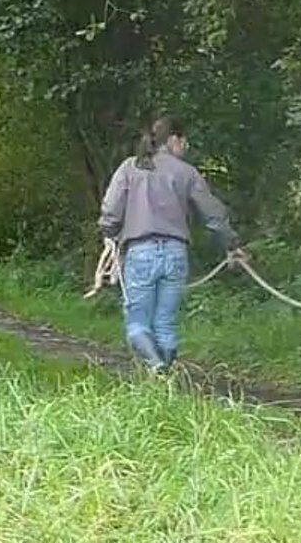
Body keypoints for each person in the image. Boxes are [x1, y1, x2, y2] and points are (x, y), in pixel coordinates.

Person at [97, 116, 244, 372]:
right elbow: (213, 214)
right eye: (184, 142)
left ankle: (155, 366)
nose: (185, 148)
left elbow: (111, 209)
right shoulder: (186, 172)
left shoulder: (129, 168)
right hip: (175, 253)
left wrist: (109, 232)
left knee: (137, 324)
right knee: (165, 323)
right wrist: (231, 244)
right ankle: (165, 376)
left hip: (140, 253)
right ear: (174, 139)